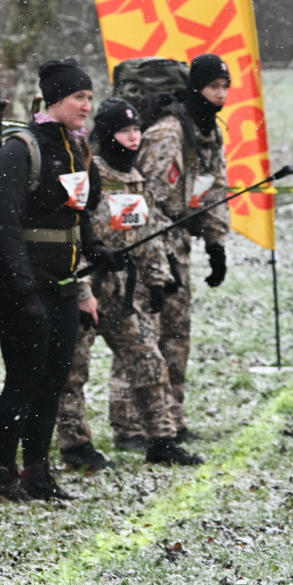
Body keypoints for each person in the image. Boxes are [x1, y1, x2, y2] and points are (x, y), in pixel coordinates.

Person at [0, 59, 122, 502]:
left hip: (64, 283)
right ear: (55, 100)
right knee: (23, 378)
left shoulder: (78, 150)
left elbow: (80, 216)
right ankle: (1, 475)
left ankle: (37, 472)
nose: (87, 105)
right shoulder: (20, 150)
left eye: (88, 97)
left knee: (54, 379)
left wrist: (97, 252)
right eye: (79, 97)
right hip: (18, 283)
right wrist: (25, 287)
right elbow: (5, 224)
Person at [56, 99, 203, 469]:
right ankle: (76, 446)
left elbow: (150, 232)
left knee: (149, 361)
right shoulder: (88, 174)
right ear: (107, 134)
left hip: (123, 291)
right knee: (74, 370)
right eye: (125, 130)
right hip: (86, 287)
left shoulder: (137, 179)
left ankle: (162, 439)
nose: (134, 136)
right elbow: (74, 231)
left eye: (137, 129)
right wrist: (88, 270)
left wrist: (157, 279)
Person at [113, 53, 231, 448]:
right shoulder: (167, 134)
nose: (222, 95)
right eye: (215, 87)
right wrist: (160, 260)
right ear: (196, 88)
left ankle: (171, 419)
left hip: (179, 247)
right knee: (142, 336)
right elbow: (148, 199)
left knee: (177, 336)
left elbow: (215, 188)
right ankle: (130, 424)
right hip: (149, 249)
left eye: (225, 87)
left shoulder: (208, 134)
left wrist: (216, 243)